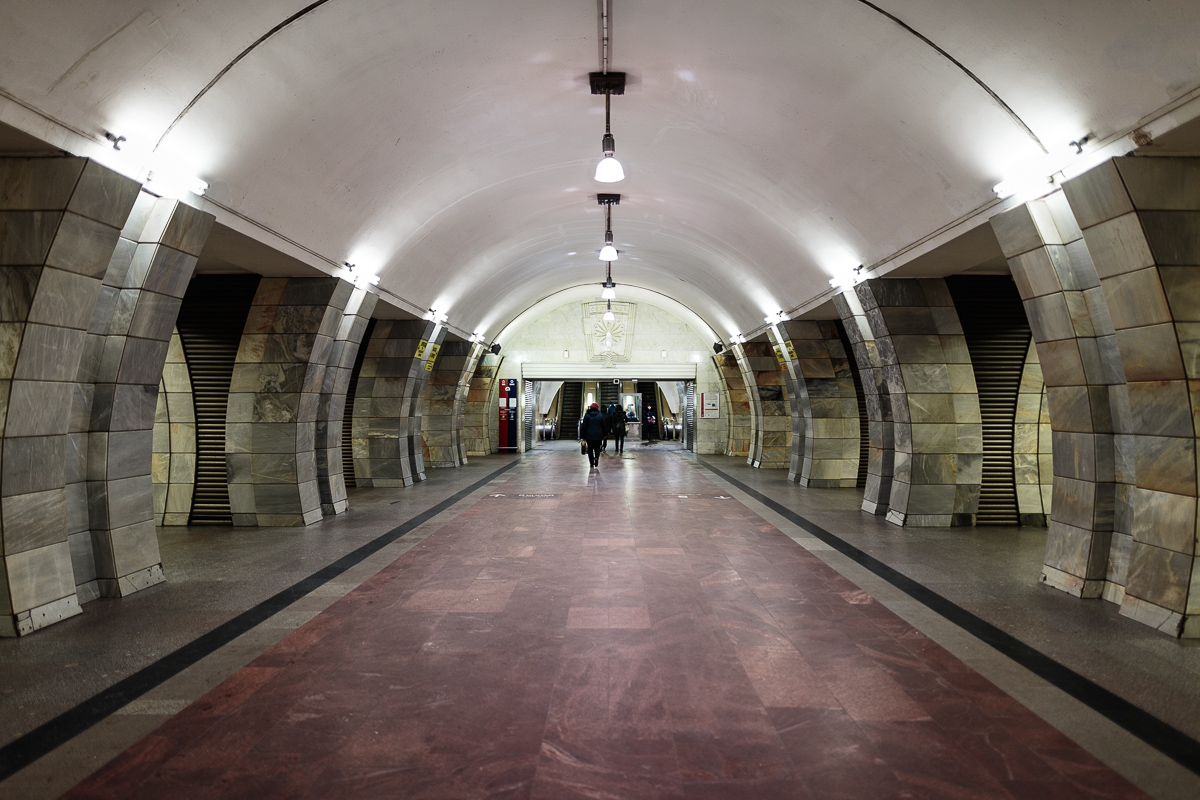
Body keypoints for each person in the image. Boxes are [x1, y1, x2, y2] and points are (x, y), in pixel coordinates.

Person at [580, 402, 607, 469]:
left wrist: (582, 435)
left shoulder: (587, 415)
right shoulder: (600, 415)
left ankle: (591, 463)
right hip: (598, 435)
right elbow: (603, 426)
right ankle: (596, 458)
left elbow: (584, 426)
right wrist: (605, 434)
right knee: (597, 448)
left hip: (589, 435)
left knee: (590, 449)